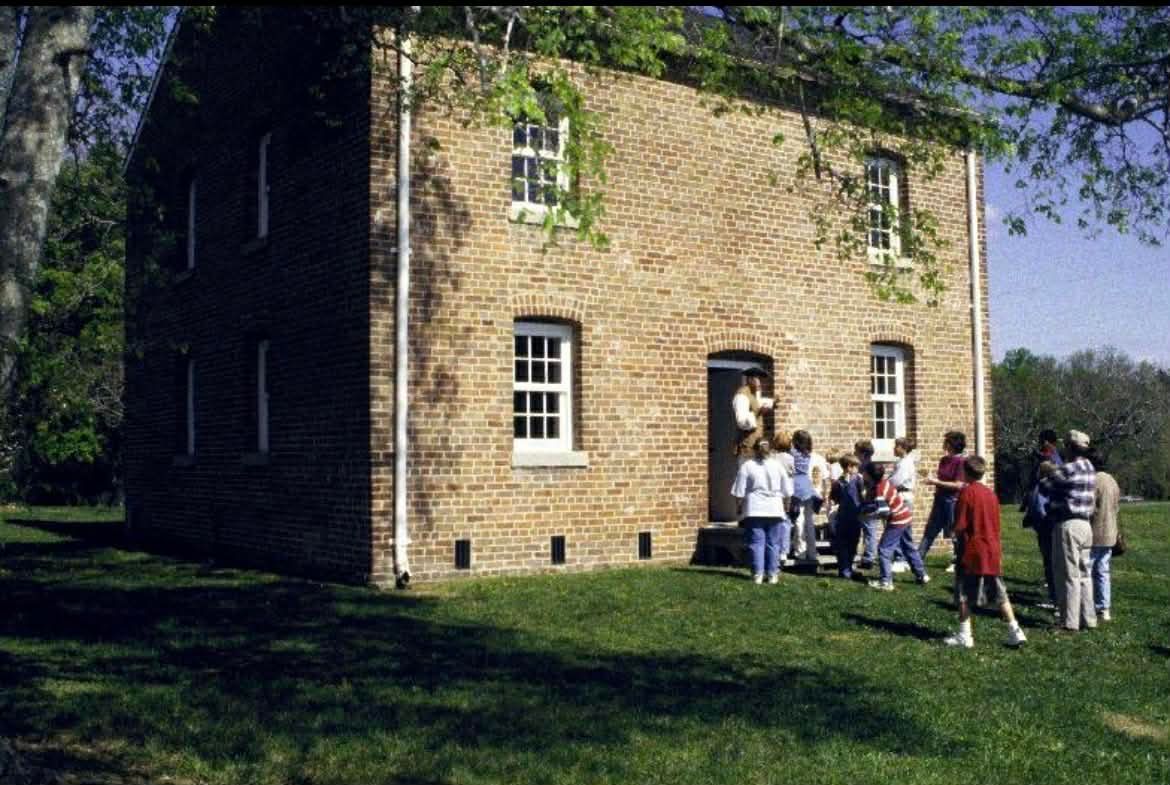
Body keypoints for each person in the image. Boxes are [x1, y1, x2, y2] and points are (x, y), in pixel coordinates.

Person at [943, 456, 1027, 648]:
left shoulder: (967, 493)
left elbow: (961, 524)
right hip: (992, 549)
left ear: (966, 472)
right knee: (999, 593)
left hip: (972, 550)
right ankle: (1015, 630)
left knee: (963, 593)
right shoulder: (991, 494)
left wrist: (953, 532)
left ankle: (965, 635)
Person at [1039, 430, 1098, 632]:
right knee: (1084, 574)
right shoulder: (1090, 467)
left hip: (1068, 525)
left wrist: (1047, 469)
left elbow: (1045, 487)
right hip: (1086, 525)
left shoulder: (1069, 469)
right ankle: (1089, 618)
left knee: (1067, 574)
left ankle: (1068, 622)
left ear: (1071, 448)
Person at [731, 436, 793, 584]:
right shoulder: (778, 466)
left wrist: (739, 506)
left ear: (754, 450)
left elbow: (739, 490)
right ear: (770, 450)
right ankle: (772, 574)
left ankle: (757, 574)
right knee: (773, 543)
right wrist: (786, 505)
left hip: (755, 508)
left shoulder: (747, 466)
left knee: (756, 543)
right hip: (775, 508)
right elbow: (788, 490)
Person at [860, 461, 930, 590]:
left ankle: (886, 582)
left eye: (864, 472)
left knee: (884, 549)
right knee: (908, 547)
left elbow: (883, 511)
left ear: (869, 475)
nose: (862, 473)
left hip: (897, 520)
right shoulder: (884, 483)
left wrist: (869, 514)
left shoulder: (879, 490)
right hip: (905, 515)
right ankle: (922, 574)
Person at [1020, 429, 1064, 608]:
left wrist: (1035, 514)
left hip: (1046, 517)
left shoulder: (1050, 462)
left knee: (1050, 558)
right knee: (1051, 557)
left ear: (1046, 442)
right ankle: (1055, 594)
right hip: (1048, 516)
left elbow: (1039, 494)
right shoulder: (1056, 459)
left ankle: (1055, 597)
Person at [918, 431, 967, 571]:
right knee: (930, 529)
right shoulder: (944, 460)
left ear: (952, 444)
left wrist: (936, 481)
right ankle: (917, 558)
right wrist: (931, 478)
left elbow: (958, 485)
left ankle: (958, 561)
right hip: (940, 499)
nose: (943, 443)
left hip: (953, 501)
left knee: (954, 532)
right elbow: (941, 480)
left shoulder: (961, 462)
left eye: (946, 441)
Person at [1089, 454, 1120, 622]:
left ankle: (1088, 606)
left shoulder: (1093, 481)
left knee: (1087, 570)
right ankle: (1104, 608)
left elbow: (1090, 507)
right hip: (1110, 532)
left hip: (1094, 531)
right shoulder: (1112, 480)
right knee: (1103, 571)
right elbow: (1116, 506)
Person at [789, 430, 828, 564]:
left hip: (798, 485)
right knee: (809, 521)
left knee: (799, 520)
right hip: (807, 485)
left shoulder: (793, 453)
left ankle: (800, 551)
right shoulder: (808, 454)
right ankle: (811, 552)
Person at [829, 454, 864, 579]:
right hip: (843, 517)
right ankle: (844, 569)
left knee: (853, 543)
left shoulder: (859, 480)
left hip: (855, 516)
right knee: (843, 544)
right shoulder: (839, 482)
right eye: (855, 467)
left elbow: (862, 496)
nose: (857, 470)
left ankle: (848, 567)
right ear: (849, 467)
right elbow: (834, 498)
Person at [887, 436, 919, 573]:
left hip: (903, 497)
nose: (894, 448)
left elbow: (896, 481)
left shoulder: (905, 463)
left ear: (903, 448)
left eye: (896, 446)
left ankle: (900, 559)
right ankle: (904, 558)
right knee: (904, 530)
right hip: (902, 496)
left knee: (900, 528)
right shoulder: (902, 462)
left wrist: (885, 484)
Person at [732, 368, 774, 466]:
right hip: (747, 445)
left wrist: (772, 403)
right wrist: (758, 413)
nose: (760, 384)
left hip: (757, 444)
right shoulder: (742, 396)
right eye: (758, 379)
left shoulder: (754, 393)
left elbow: (758, 403)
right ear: (750, 380)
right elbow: (742, 421)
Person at [853, 439, 879, 569]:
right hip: (867, 501)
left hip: (869, 501)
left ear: (863, 453)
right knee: (869, 530)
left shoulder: (866, 467)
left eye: (856, 451)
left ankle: (869, 558)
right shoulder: (869, 465)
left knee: (870, 530)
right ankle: (867, 556)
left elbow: (866, 484)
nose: (854, 453)